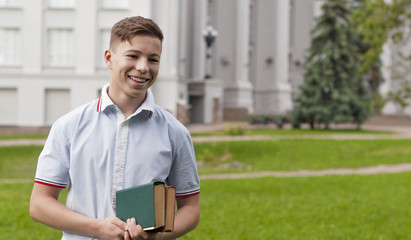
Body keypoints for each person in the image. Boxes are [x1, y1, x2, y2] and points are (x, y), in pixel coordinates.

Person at [30, 16, 200, 240]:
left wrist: (155, 238)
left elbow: (191, 209)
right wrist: (98, 228)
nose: (143, 67)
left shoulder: (175, 132)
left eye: (153, 59)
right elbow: (40, 204)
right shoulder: (69, 126)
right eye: (133, 56)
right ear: (109, 58)